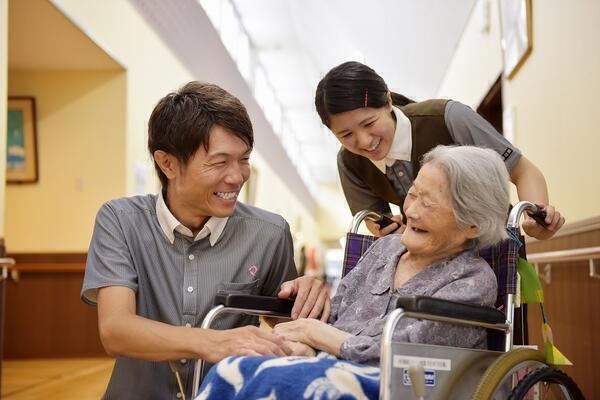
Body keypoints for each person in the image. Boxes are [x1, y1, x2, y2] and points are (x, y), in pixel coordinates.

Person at [197, 145, 510, 399]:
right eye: (413, 195)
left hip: (404, 386)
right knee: (236, 365)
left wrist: (314, 333)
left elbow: (396, 356)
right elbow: (337, 315)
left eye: (429, 204)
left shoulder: (472, 279)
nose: (411, 210)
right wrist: (304, 342)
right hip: (328, 364)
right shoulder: (384, 249)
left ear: (472, 225)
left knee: (289, 381)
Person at [81, 81, 330, 400]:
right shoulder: (120, 221)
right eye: (219, 162)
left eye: (244, 159)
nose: (237, 176)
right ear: (167, 163)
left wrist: (309, 296)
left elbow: (285, 321)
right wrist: (213, 342)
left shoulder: (270, 232)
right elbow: (116, 331)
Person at [315, 61, 565, 239]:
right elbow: (375, 220)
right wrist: (390, 229)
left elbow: (523, 172)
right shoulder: (349, 162)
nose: (364, 141)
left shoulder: (448, 118)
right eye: (345, 135)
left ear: (388, 101)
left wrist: (535, 218)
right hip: (431, 265)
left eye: (369, 123)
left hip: (493, 247)